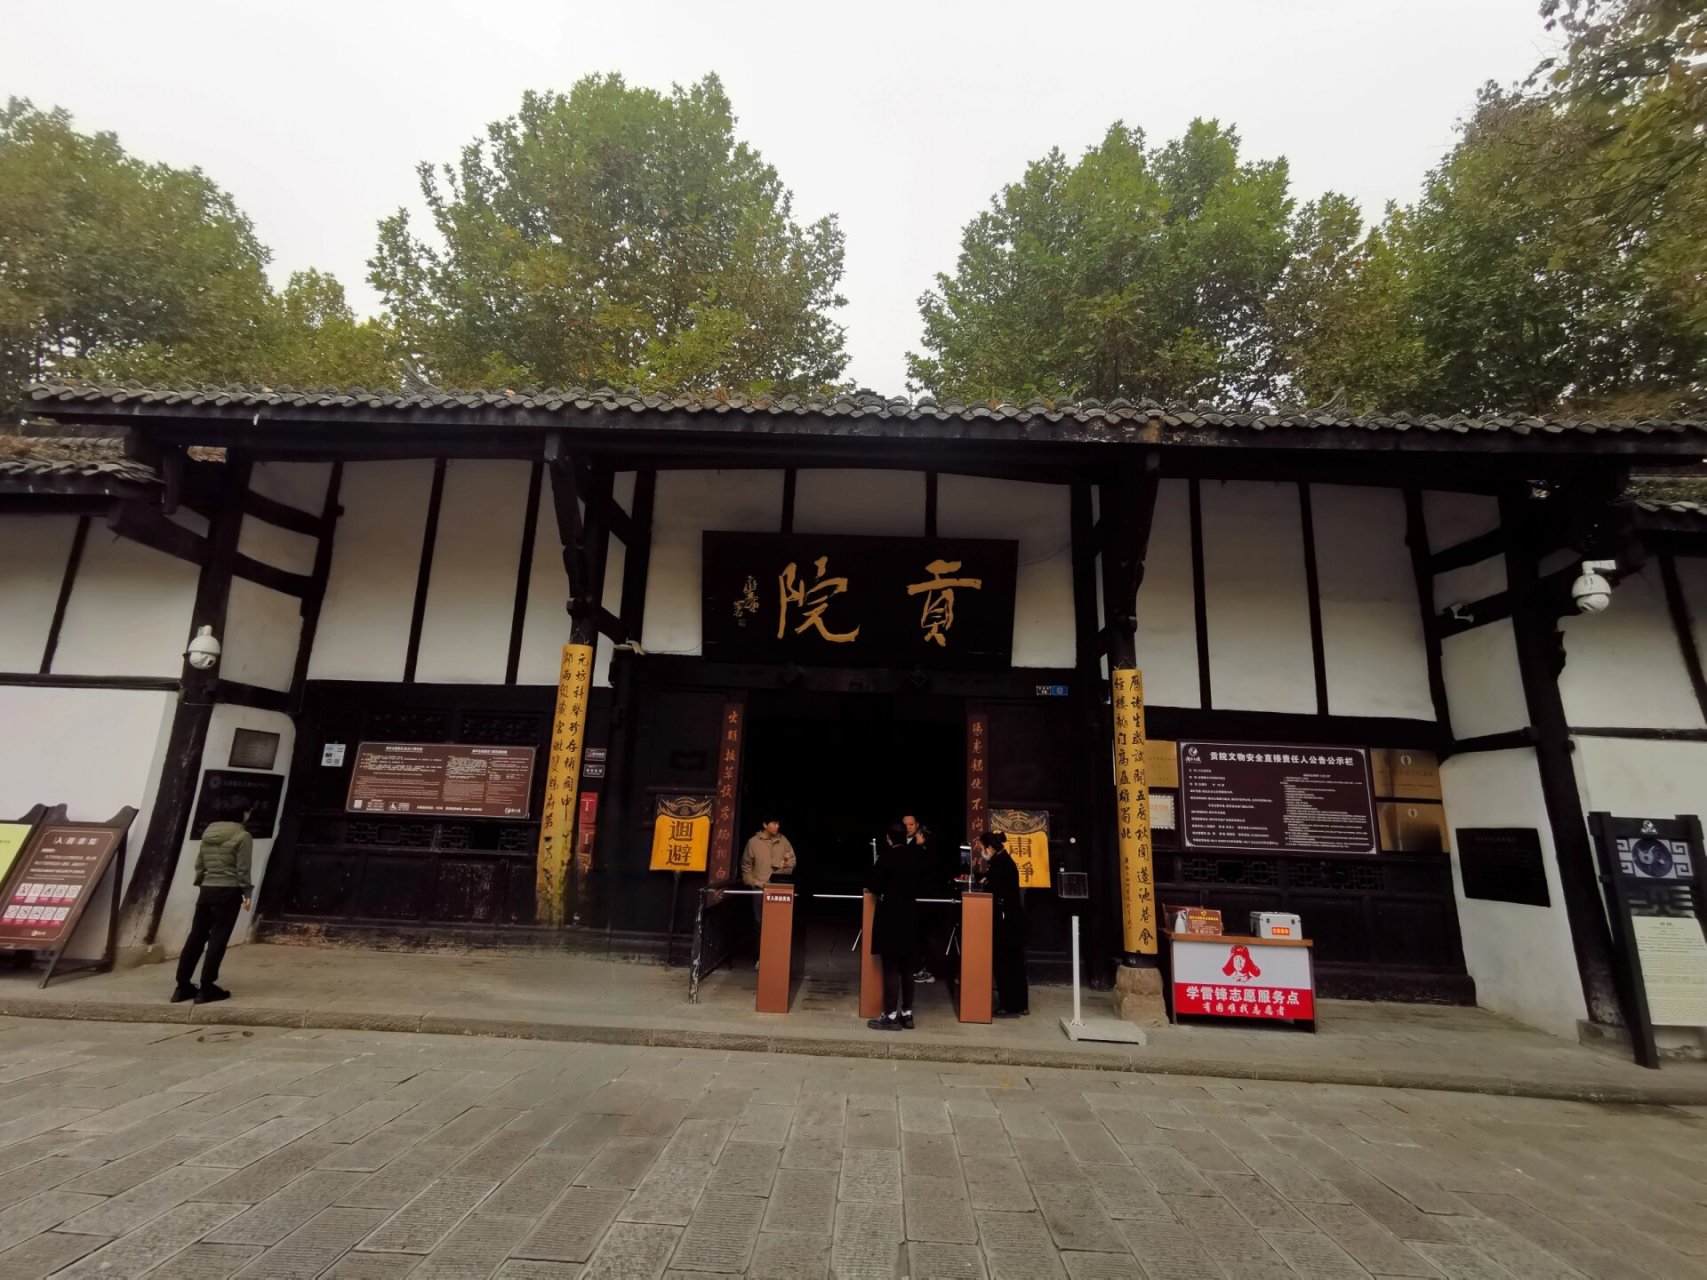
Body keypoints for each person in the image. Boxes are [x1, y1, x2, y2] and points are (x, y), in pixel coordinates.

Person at [172, 798, 255, 1004]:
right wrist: (247, 894)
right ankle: (207, 986)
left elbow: (200, 863)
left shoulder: (208, 832)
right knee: (218, 938)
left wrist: (203, 882)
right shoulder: (243, 836)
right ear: (243, 812)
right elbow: (242, 869)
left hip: (207, 889)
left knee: (196, 937)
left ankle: (182, 985)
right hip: (228, 890)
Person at [867, 823, 926, 1031]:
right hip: (911, 917)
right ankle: (907, 1014)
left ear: (889, 839)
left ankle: (890, 1016)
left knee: (891, 968)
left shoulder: (887, 857)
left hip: (890, 918)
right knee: (908, 970)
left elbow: (873, 885)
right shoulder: (916, 856)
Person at [982, 830, 1029, 1017]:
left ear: (991, 848)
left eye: (983, 848)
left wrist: (985, 882)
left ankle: (1009, 1004)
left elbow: (994, 888)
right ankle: (1021, 1003)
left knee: (1004, 963)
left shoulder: (999, 864)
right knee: (1016, 963)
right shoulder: (1004, 860)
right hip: (1014, 920)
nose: (982, 852)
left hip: (1005, 921)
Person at [741, 815, 796, 938]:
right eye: (774, 823)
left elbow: (792, 860)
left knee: (778, 922)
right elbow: (746, 866)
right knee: (759, 922)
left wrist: (787, 866)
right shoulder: (753, 842)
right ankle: (759, 954)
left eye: (778, 823)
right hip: (760, 887)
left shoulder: (783, 841)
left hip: (779, 888)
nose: (777, 826)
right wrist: (752, 882)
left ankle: (775, 953)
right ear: (765, 825)